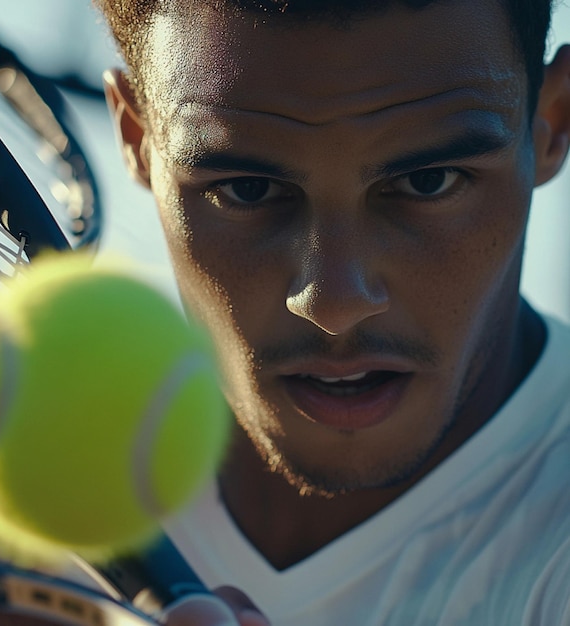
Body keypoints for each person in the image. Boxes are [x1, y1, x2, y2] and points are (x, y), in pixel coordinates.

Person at [94, 0, 570, 623]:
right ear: (136, 137)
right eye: (249, 189)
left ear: (551, 123)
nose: (335, 305)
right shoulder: (2, 468)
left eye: (429, 181)